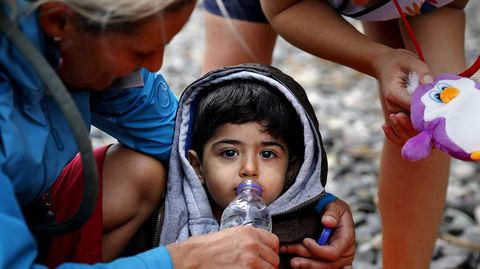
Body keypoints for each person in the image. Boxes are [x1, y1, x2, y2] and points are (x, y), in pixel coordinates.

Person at [0, 0, 281, 268]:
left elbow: (183, 140)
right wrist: (184, 260)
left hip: (32, 210)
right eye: (139, 52)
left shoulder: (82, 49)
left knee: (140, 171)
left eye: (162, 46)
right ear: (58, 21)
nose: (155, 65)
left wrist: (313, 202)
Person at [202, 0, 469, 268]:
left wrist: (440, 111)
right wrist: (377, 58)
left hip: (407, 6)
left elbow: (441, 83)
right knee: (223, 113)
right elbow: (286, 8)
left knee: (426, 120)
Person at [159, 63, 355, 269]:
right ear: (197, 167)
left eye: (267, 154)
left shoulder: (309, 232)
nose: (249, 169)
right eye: (229, 153)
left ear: (291, 170)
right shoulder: (172, 217)